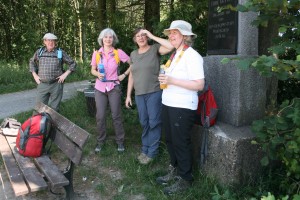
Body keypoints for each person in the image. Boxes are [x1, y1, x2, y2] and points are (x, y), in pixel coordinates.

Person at [156, 20, 205, 195]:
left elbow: (199, 85)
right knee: (170, 140)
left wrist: (171, 80)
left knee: (180, 142)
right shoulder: (175, 54)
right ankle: (175, 170)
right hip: (168, 103)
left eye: (174, 33)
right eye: (169, 33)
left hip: (182, 106)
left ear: (185, 36)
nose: (170, 36)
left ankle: (185, 178)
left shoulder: (192, 56)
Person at [125, 28, 173, 165]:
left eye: (143, 35)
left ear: (147, 37)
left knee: (154, 122)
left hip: (154, 92)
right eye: (137, 36)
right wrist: (128, 95)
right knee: (144, 122)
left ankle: (152, 153)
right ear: (135, 39)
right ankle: (145, 149)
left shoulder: (155, 49)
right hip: (139, 94)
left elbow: (171, 46)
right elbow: (132, 75)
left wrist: (152, 35)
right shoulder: (133, 54)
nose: (140, 38)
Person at [90, 28, 130, 153]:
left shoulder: (118, 52)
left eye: (110, 37)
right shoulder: (97, 53)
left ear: (114, 39)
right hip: (100, 87)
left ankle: (120, 141)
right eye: (105, 37)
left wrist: (124, 75)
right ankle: (101, 140)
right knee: (100, 116)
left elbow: (133, 64)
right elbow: (92, 70)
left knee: (116, 115)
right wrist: (97, 73)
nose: (108, 39)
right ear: (102, 39)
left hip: (114, 87)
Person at [29, 33, 76, 112]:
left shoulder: (60, 52)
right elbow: (31, 62)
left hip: (56, 84)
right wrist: (35, 75)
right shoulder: (39, 52)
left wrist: (65, 74)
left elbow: (73, 63)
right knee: (39, 108)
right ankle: (38, 124)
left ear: (55, 42)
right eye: (48, 40)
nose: (50, 42)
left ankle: (52, 124)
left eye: (53, 41)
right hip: (42, 84)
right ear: (44, 42)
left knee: (54, 109)